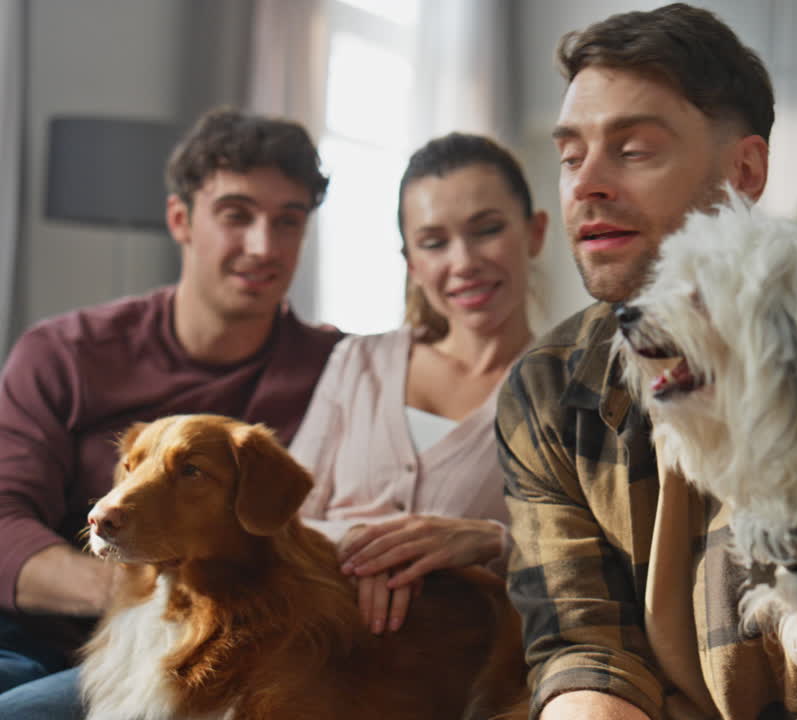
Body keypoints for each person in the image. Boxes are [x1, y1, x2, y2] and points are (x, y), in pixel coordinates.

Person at [495, 4, 797, 719]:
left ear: (744, 170)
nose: (586, 183)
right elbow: (585, 648)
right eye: (569, 156)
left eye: (633, 150)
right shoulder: (546, 387)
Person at [0, 107, 343, 715]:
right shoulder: (65, 353)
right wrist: (133, 588)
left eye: (288, 221)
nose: (263, 246)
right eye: (236, 215)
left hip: (213, 651)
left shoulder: (339, 370)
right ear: (180, 219)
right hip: (40, 632)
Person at [289, 132, 546, 635]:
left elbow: (597, 553)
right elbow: (283, 519)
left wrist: (493, 541)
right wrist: (363, 545)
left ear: (534, 233)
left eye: (487, 229)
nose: (464, 262)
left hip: (460, 665)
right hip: (312, 639)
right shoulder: (357, 362)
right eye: (434, 243)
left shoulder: (566, 388)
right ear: (412, 263)